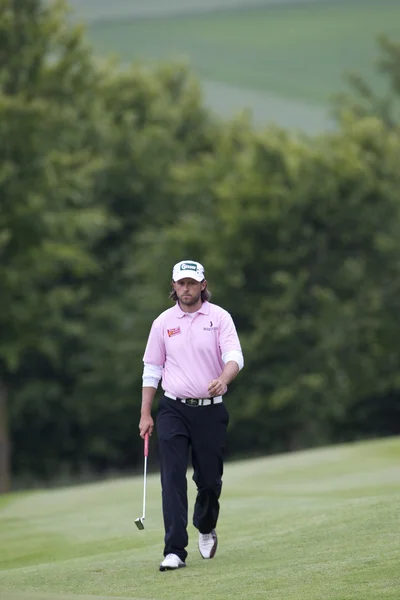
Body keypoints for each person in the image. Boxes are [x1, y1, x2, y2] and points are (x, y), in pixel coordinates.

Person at [139, 259, 244, 572]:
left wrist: (223, 379)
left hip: (210, 411)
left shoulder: (219, 318)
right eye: (180, 283)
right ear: (173, 286)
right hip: (173, 408)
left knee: (209, 481)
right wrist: (145, 412)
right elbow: (152, 368)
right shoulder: (162, 323)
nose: (186, 288)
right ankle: (174, 550)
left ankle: (206, 524)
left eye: (191, 282)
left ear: (203, 285)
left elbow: (234, 356)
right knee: (172, 477)